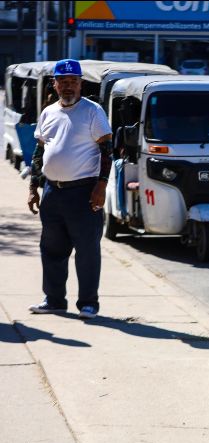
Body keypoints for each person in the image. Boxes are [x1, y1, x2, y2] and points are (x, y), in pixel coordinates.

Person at [26, 59, 113, 320]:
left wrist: (101, 186)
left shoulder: (92, 111)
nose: (68, 86)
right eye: (63, 81)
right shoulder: (48, 112)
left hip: (83, 192)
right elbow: (40, 151)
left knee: (86, 251)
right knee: (51, 249)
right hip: (53, 192)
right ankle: (53, 300)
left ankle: (88, 304)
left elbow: (106, 151)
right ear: (55, 83)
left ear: (80, 84)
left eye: (73, 81)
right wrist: (33, 187)